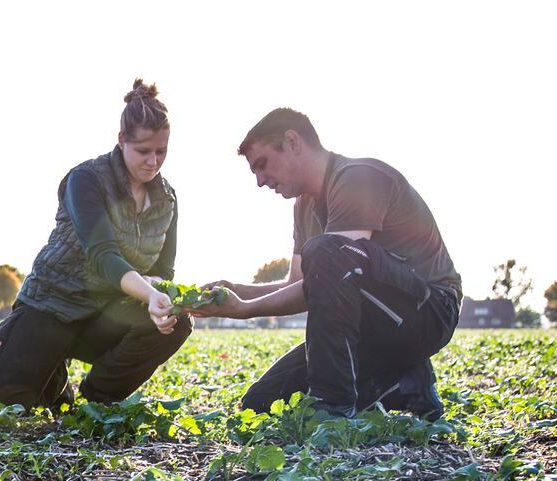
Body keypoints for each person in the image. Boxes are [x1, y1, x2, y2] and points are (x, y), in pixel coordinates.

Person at [194, 108, 460, 420]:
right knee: (261, 403)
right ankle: (405, 383)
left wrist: (244, 310)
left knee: (328, 251)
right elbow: (301, 283)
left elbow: (332, 267)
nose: (260, 181)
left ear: (293, 142)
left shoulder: (358, 178)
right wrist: (236, 291)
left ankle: (333, 408)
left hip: (428, 312)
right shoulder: (304, 206)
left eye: (262, 165)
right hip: (371, 327)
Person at [0, 79, 191, 410]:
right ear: (121, 141)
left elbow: (162, 271)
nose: (153, 161)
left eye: (162, 151)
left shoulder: (167, 199)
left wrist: (161, 295)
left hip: (105, 315)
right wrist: (149, 292)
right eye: (143, 151)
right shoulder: (86, 180)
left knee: (178, 321)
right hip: (53, 306)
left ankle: (99, 398)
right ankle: (14, 346)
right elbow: (104, 256)